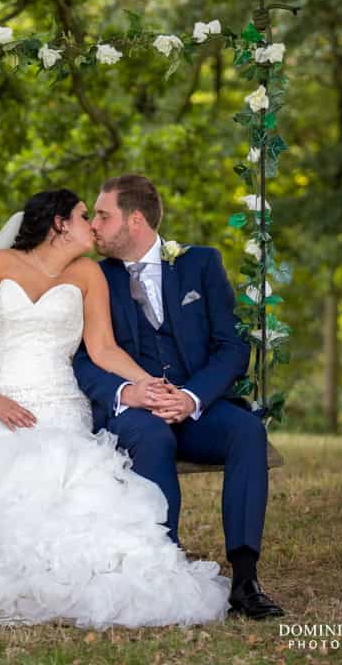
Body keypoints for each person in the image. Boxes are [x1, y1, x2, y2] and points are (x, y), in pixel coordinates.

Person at [0, 188, 231, 627]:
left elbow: (103, 349)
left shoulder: (88, 275)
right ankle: (28, 579)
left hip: (63, 403)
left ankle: (95, 578)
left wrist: (152, 384)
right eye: (86, 215)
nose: (95, 225)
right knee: (21, 467)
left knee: (80, 477)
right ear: (59, 223)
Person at [73, 173, 284, 620]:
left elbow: (231, 347)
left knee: (246, 430)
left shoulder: (200, 264)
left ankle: (245, 579)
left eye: (103, 215)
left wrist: (191, 398)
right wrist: (128, 392)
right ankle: (162, 569)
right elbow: (82, 359)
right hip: (135, 413)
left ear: (134, 220)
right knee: (153, 438)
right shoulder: (93, 277)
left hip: (194, 408)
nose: (93, 224)